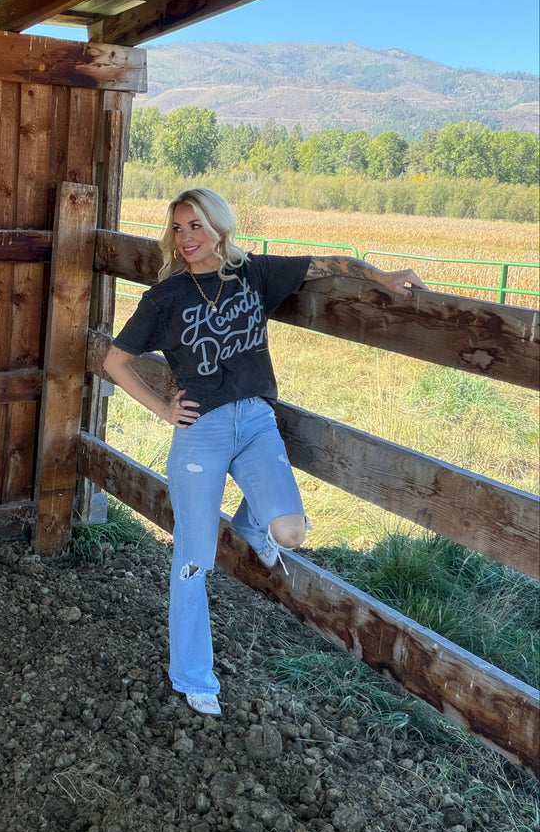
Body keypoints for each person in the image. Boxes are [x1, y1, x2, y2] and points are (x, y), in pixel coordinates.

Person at [103, 188, 426, 718]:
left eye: (197, 226)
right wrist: (163, 412)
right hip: (200, 432)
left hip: (254, 421)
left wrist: (383, 277)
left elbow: (328, 264)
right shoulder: (166, 297)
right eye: (179, 228)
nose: (187, 238)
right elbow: (116, 361)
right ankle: (192, 673)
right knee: (192, 559)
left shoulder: (254, 274)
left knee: (289, 532)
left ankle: (252, 528)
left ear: (221, 228)